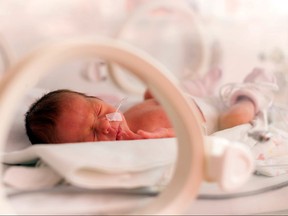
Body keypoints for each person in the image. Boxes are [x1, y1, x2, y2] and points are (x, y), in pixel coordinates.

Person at [25, 68, 278, 144]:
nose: (105, 125)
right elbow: (182, 143)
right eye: (91, 134)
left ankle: (201, 85)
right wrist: (166, 138)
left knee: (155, 92)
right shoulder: (137, 141)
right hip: (215, 119)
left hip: (190, 101)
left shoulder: (118, 108)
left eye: (99, 111)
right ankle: (253, 92)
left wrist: (152, 95)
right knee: (236, 119)